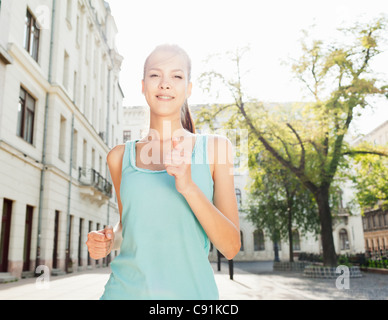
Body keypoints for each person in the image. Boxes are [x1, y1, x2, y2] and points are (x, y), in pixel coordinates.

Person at [86, 44, 241, 300]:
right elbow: (128, 227)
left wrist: (188, 187)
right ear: (143, 85)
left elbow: (231, 246)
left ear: (188, 88)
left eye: (177, 76)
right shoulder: (119, 157)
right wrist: (107, 240)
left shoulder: (216, 148)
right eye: (155, 75)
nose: (165, 84)